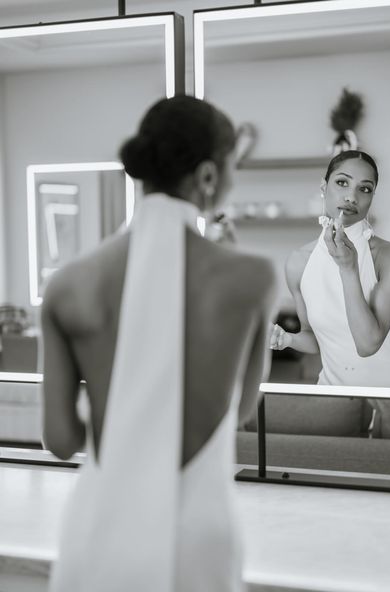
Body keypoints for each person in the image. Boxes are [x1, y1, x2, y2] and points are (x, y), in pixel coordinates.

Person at [42, 95, 278, 592]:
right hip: (199, 534)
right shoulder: (252, 278)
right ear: (209, 176)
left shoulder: (69, 285)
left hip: (99, 533)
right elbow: (240, 411)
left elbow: (61, 442)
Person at [270, 150, 390, 389]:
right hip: (333, 399)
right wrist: (287, 339)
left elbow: (367, 344)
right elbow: (316, 339)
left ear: (372, 197)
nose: (351, 197)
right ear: (323, 186)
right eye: (342, 182)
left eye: (365, 188)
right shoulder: (299, 263)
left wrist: (348, 269)